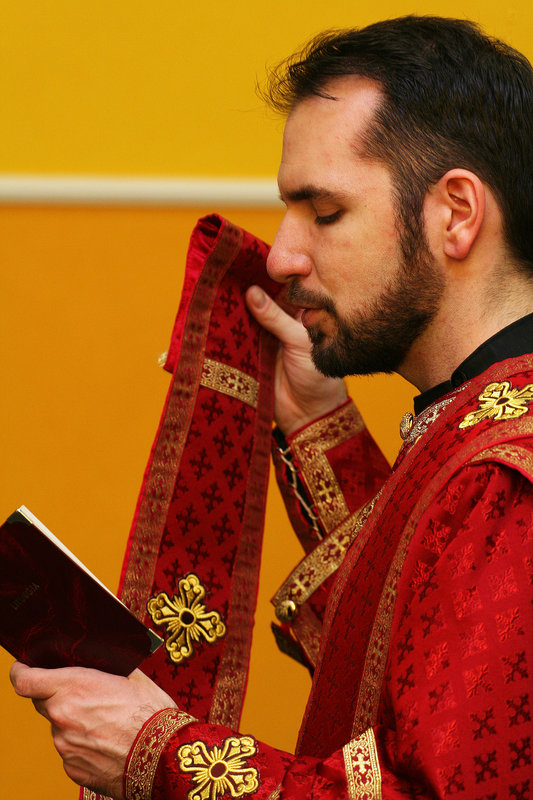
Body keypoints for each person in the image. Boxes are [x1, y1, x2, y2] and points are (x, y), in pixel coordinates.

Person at [10, 15, 533, 799]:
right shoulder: (478, 419)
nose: (284, 255)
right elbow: (410, 658)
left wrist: (157, 750)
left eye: (325, 213)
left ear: (455, 213)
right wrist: (315, 421)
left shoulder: (508, 470)